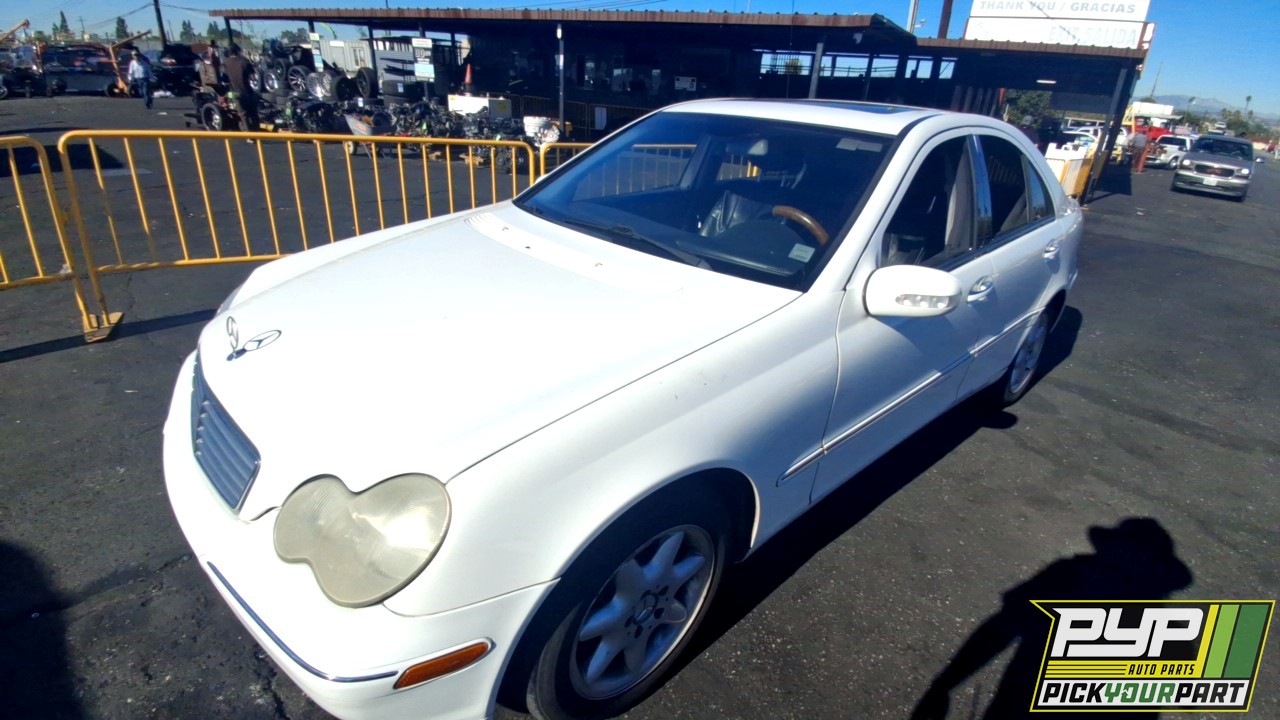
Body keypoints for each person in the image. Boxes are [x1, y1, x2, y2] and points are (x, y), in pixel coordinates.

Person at [221, 43, 259, 132]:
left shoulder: (225, 63)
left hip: (235, 93)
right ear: (238, 52)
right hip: (247, 91)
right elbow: (253, 77)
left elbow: (224, 79)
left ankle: (249, 135)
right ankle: (256, 133)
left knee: (243, 114)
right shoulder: (244, 62)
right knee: (253, 113)